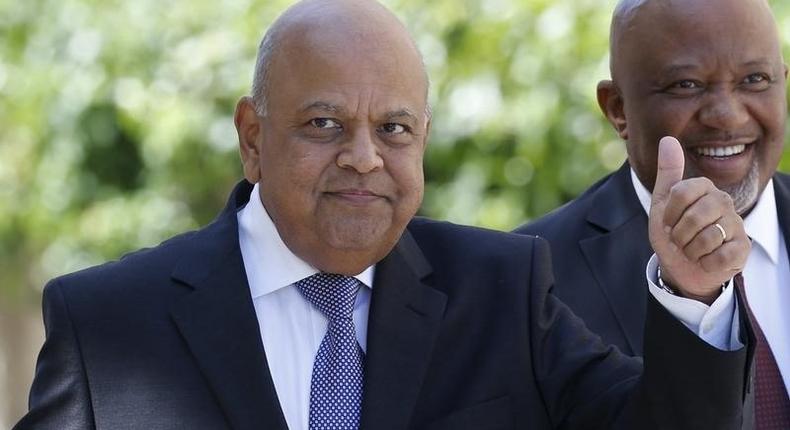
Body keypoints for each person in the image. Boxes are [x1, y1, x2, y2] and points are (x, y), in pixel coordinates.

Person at [16, 0, 753, 429]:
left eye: (394, 129)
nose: (364, 158)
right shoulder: (106, 327)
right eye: (324, 125)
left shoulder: (505, 290)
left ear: (423, 139)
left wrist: (692, 296)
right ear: (253, 138)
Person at [517, 0, 790, 427]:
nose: (727, 115)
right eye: (686, 85)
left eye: (755, 79)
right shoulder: (530, 278)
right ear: (618, 109)